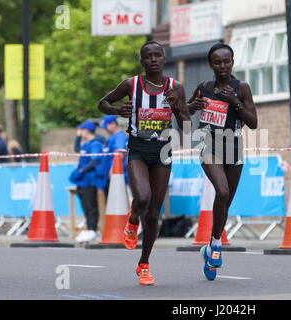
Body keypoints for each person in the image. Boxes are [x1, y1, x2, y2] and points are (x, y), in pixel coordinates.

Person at [98, 41, 191, 286]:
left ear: (163, 58)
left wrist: (177, 106)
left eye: (157, 56)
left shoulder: (175, 87)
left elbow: (187, 126)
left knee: (154, 213)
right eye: (147, 56)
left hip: (163, 151)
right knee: (142, 197)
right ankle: (131, 222)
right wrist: (119, 111)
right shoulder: (132, 84)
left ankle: (144, 264)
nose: (152, 60)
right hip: (138, 149)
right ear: (142, 61)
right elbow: (102, 103)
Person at [187, 43, 257, 281]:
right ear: (211, 65)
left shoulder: (242, 87)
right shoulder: (204, 87)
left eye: (226, 61)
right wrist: (191, 106)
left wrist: (235, 101)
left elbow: (253, 122)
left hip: (234, 146)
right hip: (209, 144)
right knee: (222, 191)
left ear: (233, 62)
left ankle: (212, 244)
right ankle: (216, 246)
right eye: (217, 62)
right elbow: (183, 112)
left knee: (225, 201)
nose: (222, 66)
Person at [70, 120, 105, 243]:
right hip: (82, 181)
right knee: (85, 205)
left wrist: (81, 171)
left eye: (81, 130)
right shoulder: (85, 144)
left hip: (90, 179)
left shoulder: (95, 144)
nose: (80, 132)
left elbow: (94, 161)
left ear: (87, 130)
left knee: (91, 206)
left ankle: (92, 229)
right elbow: (76, 149)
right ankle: (89, 229)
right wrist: (78, 137)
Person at [99, 115, 129, 198]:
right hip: (108, 176)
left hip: (116, 176)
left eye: (106, 126)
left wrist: (113, 170)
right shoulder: (110, 138)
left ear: (113, 124)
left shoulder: (119, 137)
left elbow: (119, 155)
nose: (105, 129)